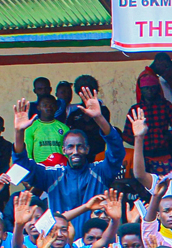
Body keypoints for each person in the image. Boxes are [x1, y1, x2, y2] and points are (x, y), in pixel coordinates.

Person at [11, 90, 123, 236]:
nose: (75, 151)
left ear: (87, 149)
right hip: (60, 244)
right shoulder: (53, 175)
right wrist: (19, 132)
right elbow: (22, 166)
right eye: (70, 147)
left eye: (80, 146)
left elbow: (117, 151)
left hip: (94, 243)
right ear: (63, 150)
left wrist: (99, 118)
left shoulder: (100, 171)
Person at [126, 71, 172, 175]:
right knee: (143, 187)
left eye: (152, 87)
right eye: (146, 88)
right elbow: (127, 135)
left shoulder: (166, 106)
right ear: (141, 90)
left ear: (157, 88)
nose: (150, 91)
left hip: (163, 155)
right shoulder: (135, 109)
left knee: (165, 186)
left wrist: (165, 137)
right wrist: (139, 140)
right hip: (142, 157)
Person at [63, 75, 111, 160]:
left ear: (95, 90)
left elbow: (105, 131)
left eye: (89, 90)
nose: (86, 93)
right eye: (82, 91)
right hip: (79, 155)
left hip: (98, 153)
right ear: (78, 92)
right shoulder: (74, 113)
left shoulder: (103, 111)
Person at [22, 95, 67, 163]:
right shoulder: (31, 127)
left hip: (60, 168)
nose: (49, 108)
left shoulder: (64, 128)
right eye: (45, 105)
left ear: (56, 108)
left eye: (52, 105)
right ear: (38, 108)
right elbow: (28, 153)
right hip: (40, 168)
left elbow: (68, 151)